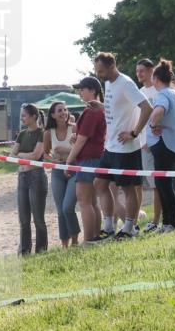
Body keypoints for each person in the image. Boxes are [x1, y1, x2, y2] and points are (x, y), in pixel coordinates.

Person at [92, 52, 152, 239]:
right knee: (100, 184)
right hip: (111, 146)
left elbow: (147, 107)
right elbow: (119, 107)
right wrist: (101, 107)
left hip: (126, 147)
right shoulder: (108, 83)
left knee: (128, 188)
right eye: (96, 70)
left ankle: (129, 228)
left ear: (111, 66)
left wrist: (134, 133)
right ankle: (109, 226)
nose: (98, 74)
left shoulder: (126, 83)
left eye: (100, 70)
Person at [146, 59, 175, 233]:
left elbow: (158, 112)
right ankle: (168, 222)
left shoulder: (163, 95)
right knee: (166, 185)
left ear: (156, 79)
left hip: (164, 144)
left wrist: (153, 126)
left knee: (163, 185)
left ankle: (172, 223)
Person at [65, 77, 108, 242]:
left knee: (84, 200)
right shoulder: (98, 110)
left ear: (92, 90)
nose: (80, 92)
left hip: (88, 159)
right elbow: (83, 138)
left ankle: (89, 238)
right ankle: (94, 236)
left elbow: (83, 139)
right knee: (92, 201)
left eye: (82, 89)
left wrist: (69, 161)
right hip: (95, 157)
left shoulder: (92, 111)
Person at [11, 103, 48, 255]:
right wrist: (21, 156)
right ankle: (25, 251)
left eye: (24, 115)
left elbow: (36, 156)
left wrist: (20, 155)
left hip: (36, 176)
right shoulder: (21, 134)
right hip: (22, 176)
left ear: (34, 116)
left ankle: (41, 250)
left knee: (38, 218)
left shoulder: (42, 132)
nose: (22, 118)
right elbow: (12, 156)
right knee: (23, 219)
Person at [43, 101, 79, 247]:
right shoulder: (48, 133)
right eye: (59, 110)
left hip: (74, 169)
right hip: (57, 172)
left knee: (67, 207)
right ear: (52, 115)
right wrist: (54, 160)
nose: (63, 112)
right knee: (60, 210)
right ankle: (65, 243)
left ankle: (75, 239)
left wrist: (66, 152)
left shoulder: (75, 128)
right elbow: (45, 153)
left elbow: (81, 150)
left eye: (65, 109)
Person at [135, 58, 162, 231]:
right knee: (154, 185)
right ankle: (156, 220)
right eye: (137, 71)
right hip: (143, 144)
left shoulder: (159, 90)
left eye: (142, 71)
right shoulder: (139, 91)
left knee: (157, 184)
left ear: (151, 70)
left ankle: (156, 220)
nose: (139, 74)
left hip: (157, 143)